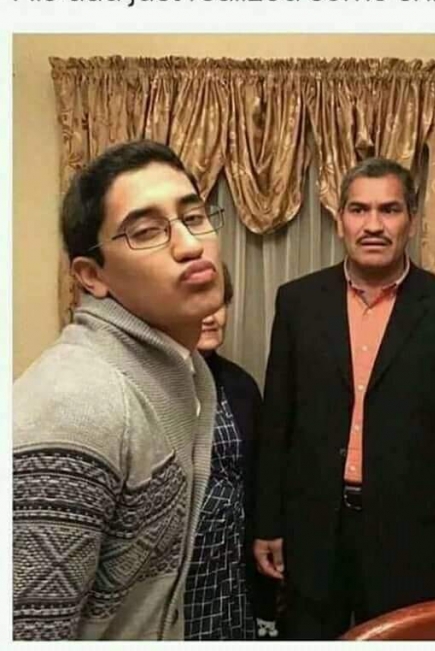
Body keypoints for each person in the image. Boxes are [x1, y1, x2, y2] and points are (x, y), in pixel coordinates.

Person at [253, 157, 435, 639]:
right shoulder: (298, 302)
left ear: (412, 221)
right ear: (340, 219)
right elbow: (278, 420)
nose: (373, 225)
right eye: (359, 210)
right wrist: (267, 522)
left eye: (389, 210)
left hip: (412, 537)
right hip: (312, 528)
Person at [13, 140, 225, 640]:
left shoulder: (184, 369)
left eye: (194, 217)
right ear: (92, 276)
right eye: (146, 231)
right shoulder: (78, 403)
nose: (190, 245)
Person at [184, 263, 278, 640]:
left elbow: (259, 479)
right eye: (197, 303)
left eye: (219, 302)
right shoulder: (143, 383)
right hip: (175, 572)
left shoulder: (241, 386)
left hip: (230, 568)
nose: (211, 316)